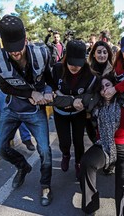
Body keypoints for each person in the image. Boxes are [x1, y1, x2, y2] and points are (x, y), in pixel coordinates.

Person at [0, 15, 54, 206]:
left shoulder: (42, 53)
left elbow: (51, 78)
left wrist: (50, 91)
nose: (15, 53)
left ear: (26, 40)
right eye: (10, 49)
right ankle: (22, 167)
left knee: (44, 150)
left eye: (19, 47)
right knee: (0, 148)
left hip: (35, 112)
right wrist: (30, 93)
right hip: (12, 109)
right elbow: (3, 86)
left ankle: (45, 186)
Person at [80, 74, 124, 216]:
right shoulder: (96, 105)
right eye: (101, 88)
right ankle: (90, 207)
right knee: (87, 163)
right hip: (104, 146)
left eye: (108, 85)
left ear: (115, 86)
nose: (105, 90)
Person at [51, 40, 97, 180]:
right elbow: (53, 90)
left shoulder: (90, 74)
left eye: (78, 63)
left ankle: (78, 162)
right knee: (64, 140)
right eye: (71, 63)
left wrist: (80, 100)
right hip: (60, 112)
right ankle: (65, 154)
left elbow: (90, 95)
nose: (74, 67)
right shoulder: (57, 69)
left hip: (78, 113)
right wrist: (70, 99)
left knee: (78, 141)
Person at [86, 40, 114, 143]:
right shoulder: (87, 71)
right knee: (95, 140)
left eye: (105, 52)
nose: (102, 55)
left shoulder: (113, 71)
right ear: (93, 54)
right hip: (91, 113)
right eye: (99, 52)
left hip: (109, 111)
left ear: (108, 54)